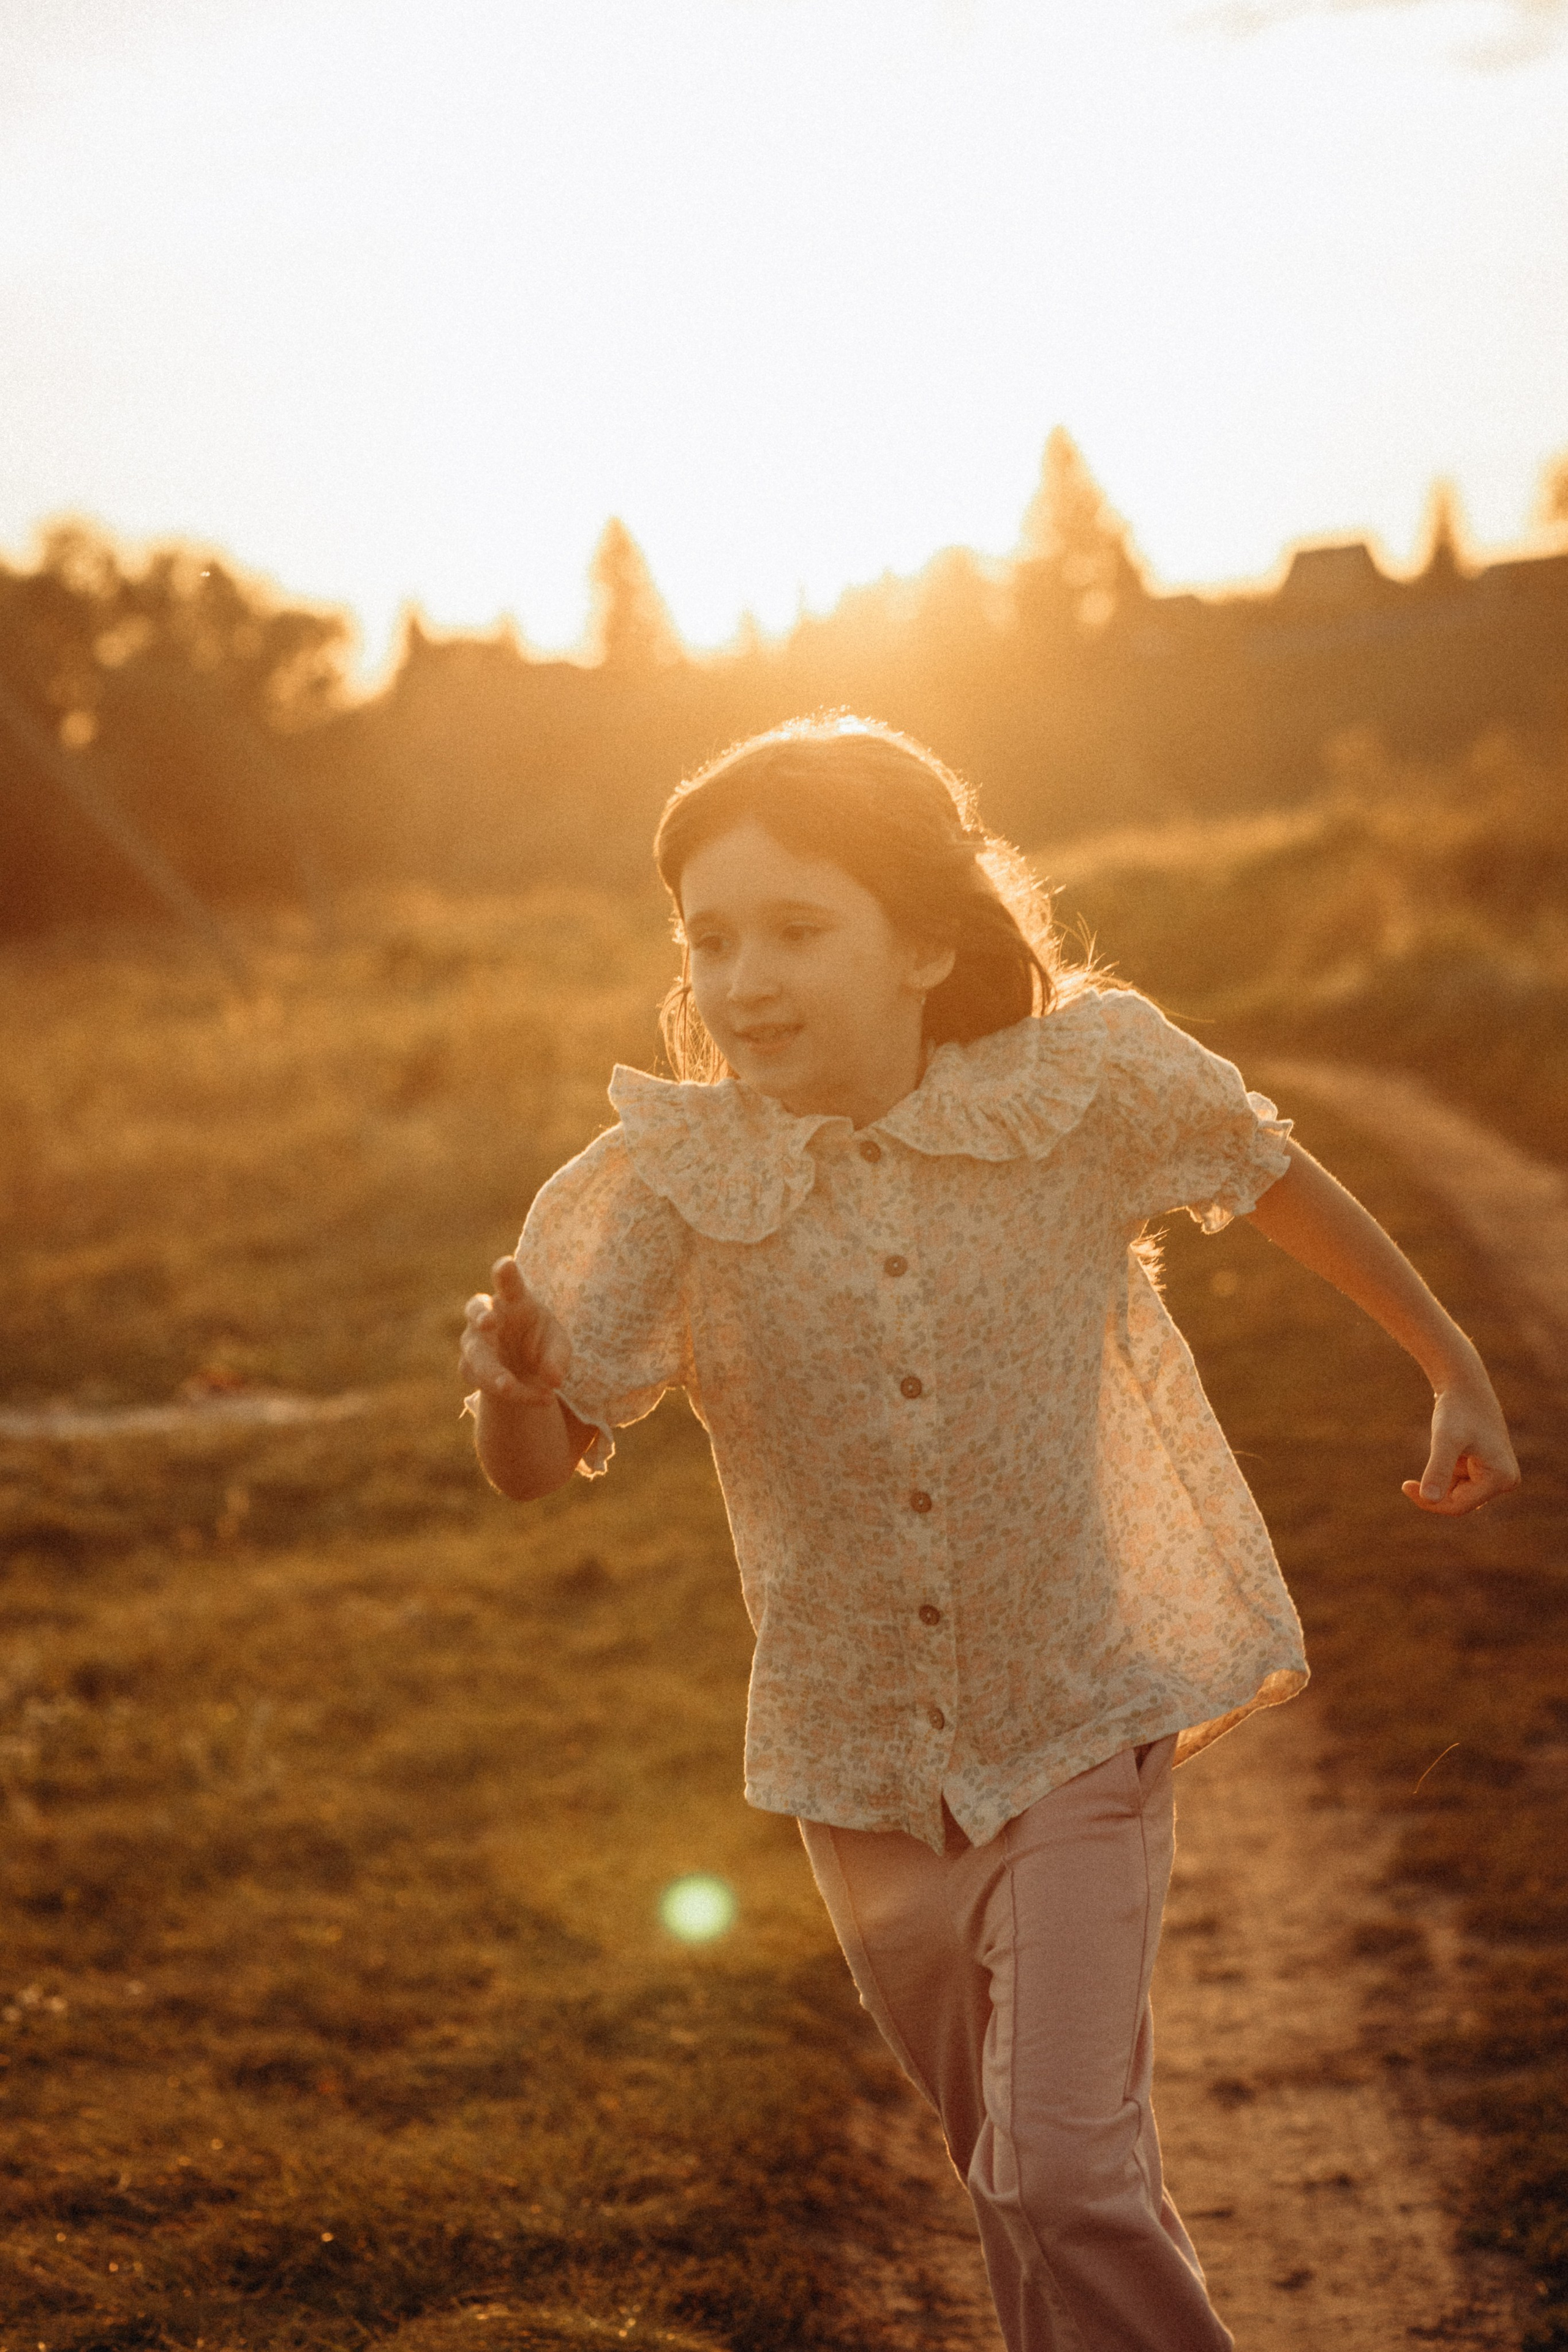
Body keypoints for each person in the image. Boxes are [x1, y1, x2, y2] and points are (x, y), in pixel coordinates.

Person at [459, 716, 1518, 2352]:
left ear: (923, 943)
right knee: (1008, 2172)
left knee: (1063, 2179)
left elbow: (1269, 1171)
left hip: (1079, 1719)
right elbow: (542, 1459)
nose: (744, 978)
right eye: (711, 939)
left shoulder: (1078, 1091)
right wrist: (515, 1387)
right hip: (854, 1765)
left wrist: (1448, 1363)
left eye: (796, 930)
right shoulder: (672, 1186)